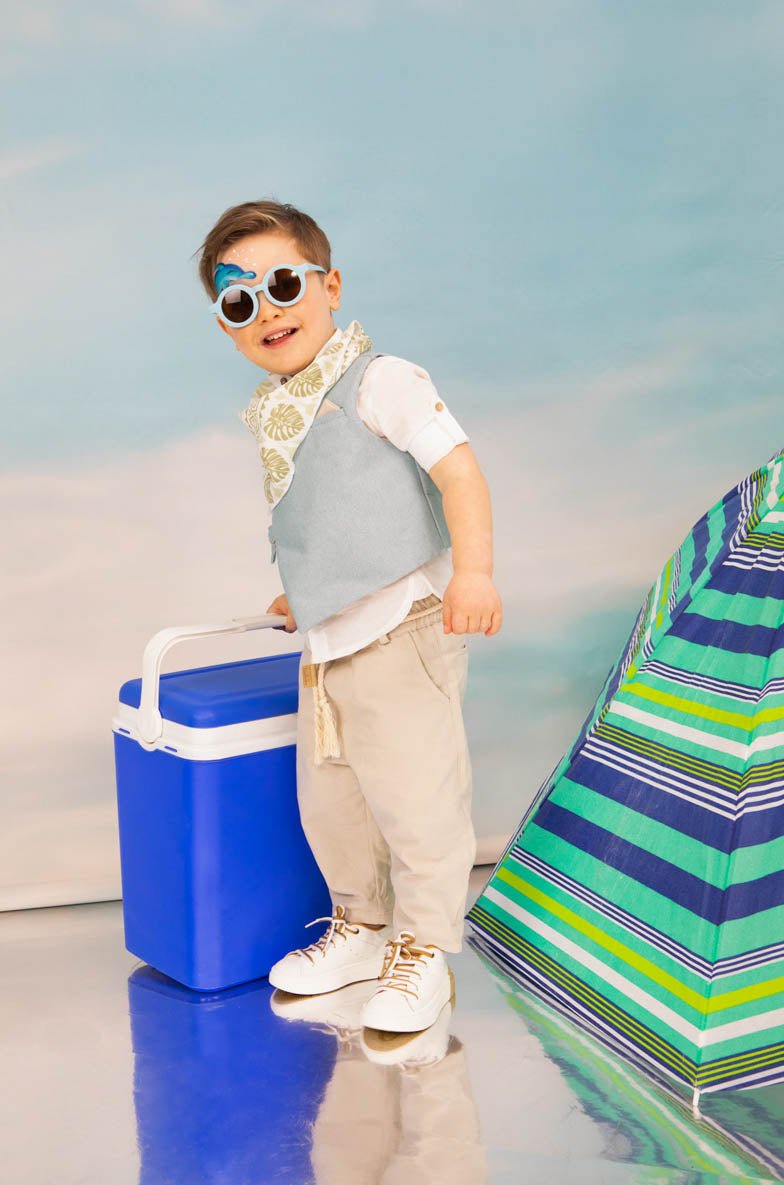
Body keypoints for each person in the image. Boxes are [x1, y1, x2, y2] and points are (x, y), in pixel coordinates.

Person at [194, 198, 503, 1032]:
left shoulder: (382, 379)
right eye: (240, 301)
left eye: (284, 284)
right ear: (227, 326)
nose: (268, 310)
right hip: (329, 644)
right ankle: (362, 925)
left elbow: (459, 471)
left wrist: (474, 572)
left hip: (402, 627)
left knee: (417, 797)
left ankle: (424, 946)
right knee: (333, 802)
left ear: (329, 286)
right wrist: (306, 590)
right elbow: (326, 518)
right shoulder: (279, 407)